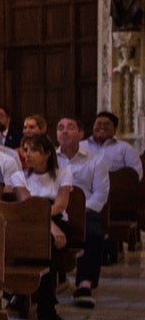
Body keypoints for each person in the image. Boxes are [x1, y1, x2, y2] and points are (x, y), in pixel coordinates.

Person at [8, 132, 74, 320]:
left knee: (47, 248)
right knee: (28, 243)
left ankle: (45, 306)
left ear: (47, 153)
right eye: (25, 150)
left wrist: (50, 225)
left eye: (34, 150)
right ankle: (22, 292)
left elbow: (60, 204)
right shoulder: (19, 176)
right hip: (29, 222)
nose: (27, 154)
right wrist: (48, 226)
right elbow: (28, 206)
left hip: (58, 219)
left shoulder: (63, 174)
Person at [56, 116, 110, 307]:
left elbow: (101, 194)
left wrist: (80, 212)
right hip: (56, 212)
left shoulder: (96, 161)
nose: (64, 131)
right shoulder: (50, 159)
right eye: (60, 128)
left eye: (70, 127)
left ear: (80, 134)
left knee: (94, 234)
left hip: (87, 212)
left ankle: (84, 285)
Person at [82, 110, 144, 179]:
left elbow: (137, 173)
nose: (102, 126)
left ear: (115, 129)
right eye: (98, 123)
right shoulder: (80, 146)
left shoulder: (125, 148)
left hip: (116, 188)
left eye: (107, 124)